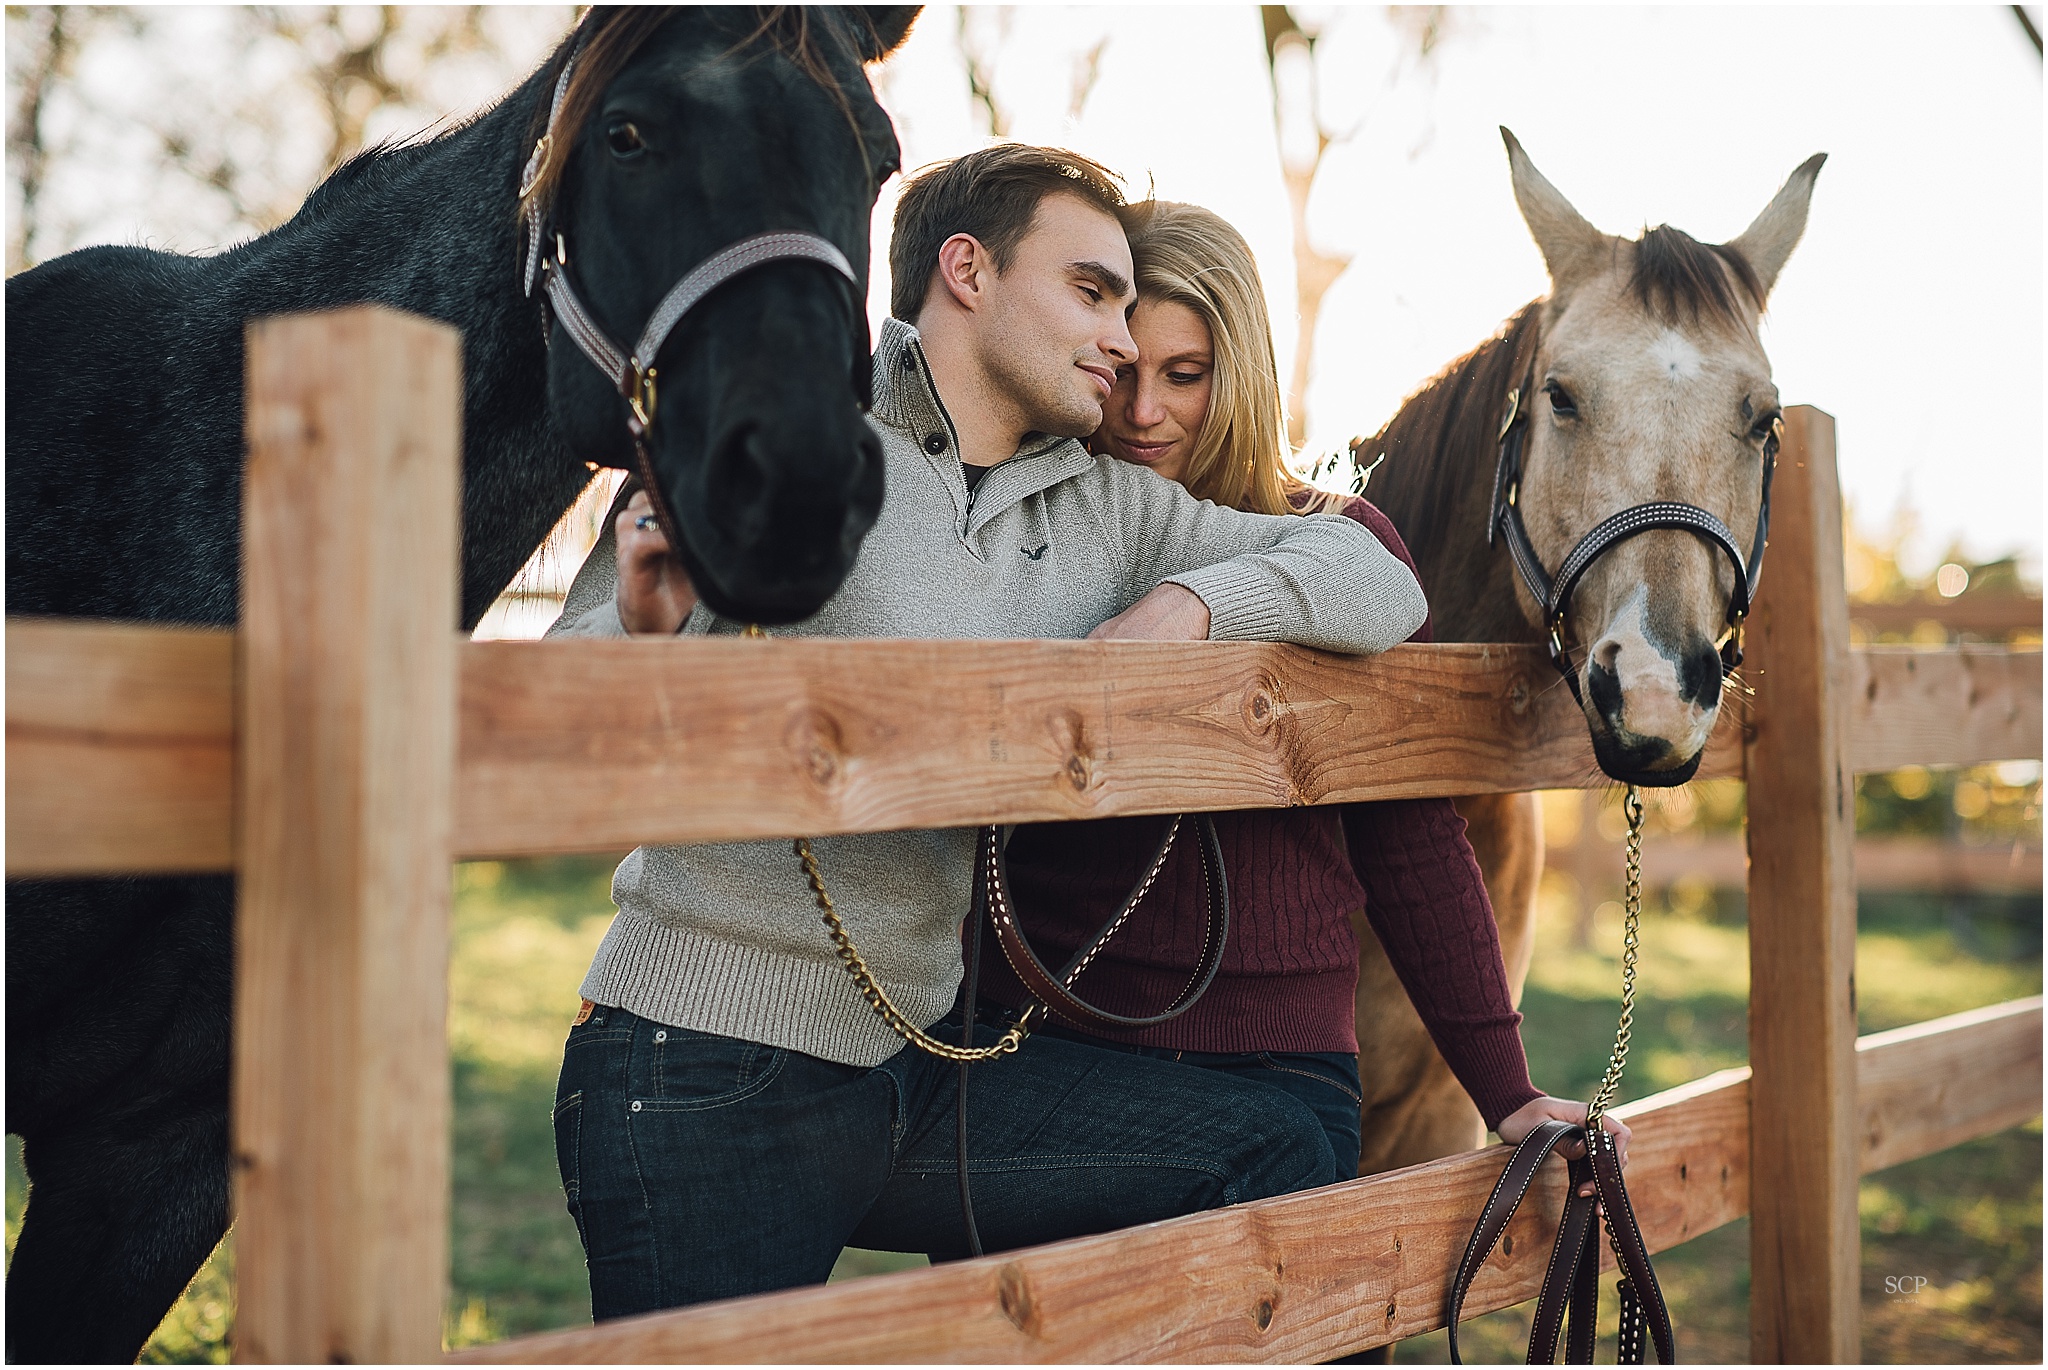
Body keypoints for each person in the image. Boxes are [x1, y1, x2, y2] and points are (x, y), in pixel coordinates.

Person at [543, 146, 1430, 1320]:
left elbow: (1375, 578)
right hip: (702, 1052)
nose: (1120, 339)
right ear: (965, 270)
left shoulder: (1103, 508)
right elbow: (551, 709)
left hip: (911, 1069)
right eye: (1092, 292)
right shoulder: (781, 421)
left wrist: (1198, 602)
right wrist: (648, 632)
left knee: (1270, 1147)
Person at [976, 200, 1629, 1183]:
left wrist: (1507, 1090)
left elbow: (1412, 841)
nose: (1143, 410)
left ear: (1235, 370)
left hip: (1275, 1065)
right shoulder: (1024, 536)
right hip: (1052, 1050)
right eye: (1121, 374)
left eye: (1184, 375)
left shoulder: (1338, 542)